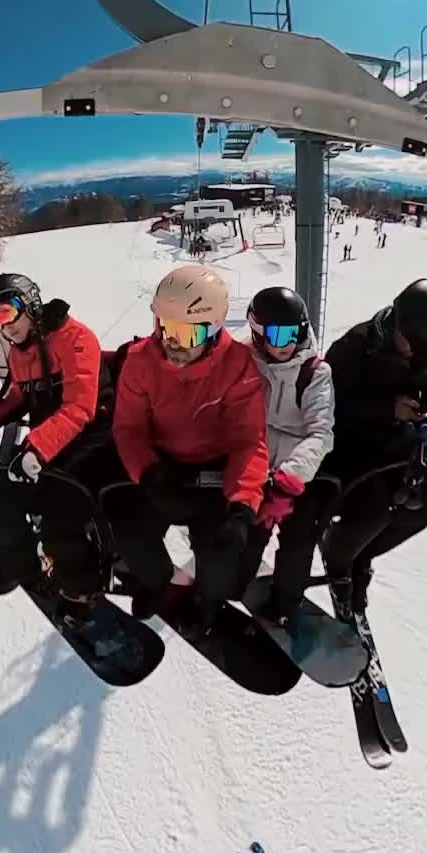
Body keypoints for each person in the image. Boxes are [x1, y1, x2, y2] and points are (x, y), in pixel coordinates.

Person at [106, 263, 268, 632]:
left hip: (214, 468)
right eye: (165, 328)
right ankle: (156, 582)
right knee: (130, 531)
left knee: (220, 551)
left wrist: (242, 505)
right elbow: (128, 428)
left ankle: (207, 599)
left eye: (185, 333)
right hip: (164, 465)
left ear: (213, 332)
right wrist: (147, 472)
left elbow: (248, 440)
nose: (171, 343)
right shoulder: (141, 363)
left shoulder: (237, 366)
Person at [0, 272, 109, 621]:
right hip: (49, 441)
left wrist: (36, 449)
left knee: (59, 515)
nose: (5, 328)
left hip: (93, 438)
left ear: (30, 307)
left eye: (8, 314)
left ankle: (81, 591)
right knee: (1, 500)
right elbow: (17, 395)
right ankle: (23, 567)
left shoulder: (75, 339)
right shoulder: (19, 354)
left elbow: (80, 408)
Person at [321, 279, 427, 623]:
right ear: (399, 326)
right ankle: (339, 557)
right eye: (419, 350)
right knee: (375, 509)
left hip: (397, 448)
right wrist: (387, 409)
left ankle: (361, 555)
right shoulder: (353, 348)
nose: (425, 360)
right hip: (349, 447)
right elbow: (326, 407)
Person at [238, 286, 336, 625]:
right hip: (257, 463)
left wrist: (289, 480)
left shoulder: (314, 373)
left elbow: (320, 433)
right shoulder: (247, 360)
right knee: (250, 527)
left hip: (299, 473)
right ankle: (235, 579)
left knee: (298, 537)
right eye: (272, 336)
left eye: (290, 334)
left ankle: (286, 602)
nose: (282, 345)